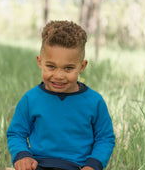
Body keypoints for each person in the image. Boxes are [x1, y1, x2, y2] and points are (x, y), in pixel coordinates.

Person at [7, 20, 115, 170]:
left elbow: (105, 138)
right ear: (40, 62)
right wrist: (22, 155)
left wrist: (93, 165)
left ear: (82, 66)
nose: (58, 75)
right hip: (38, 165)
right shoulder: (31, 99)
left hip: (78, 167)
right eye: (51, 66)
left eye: (68, 68)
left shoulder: (94, 102)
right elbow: (16, 133)